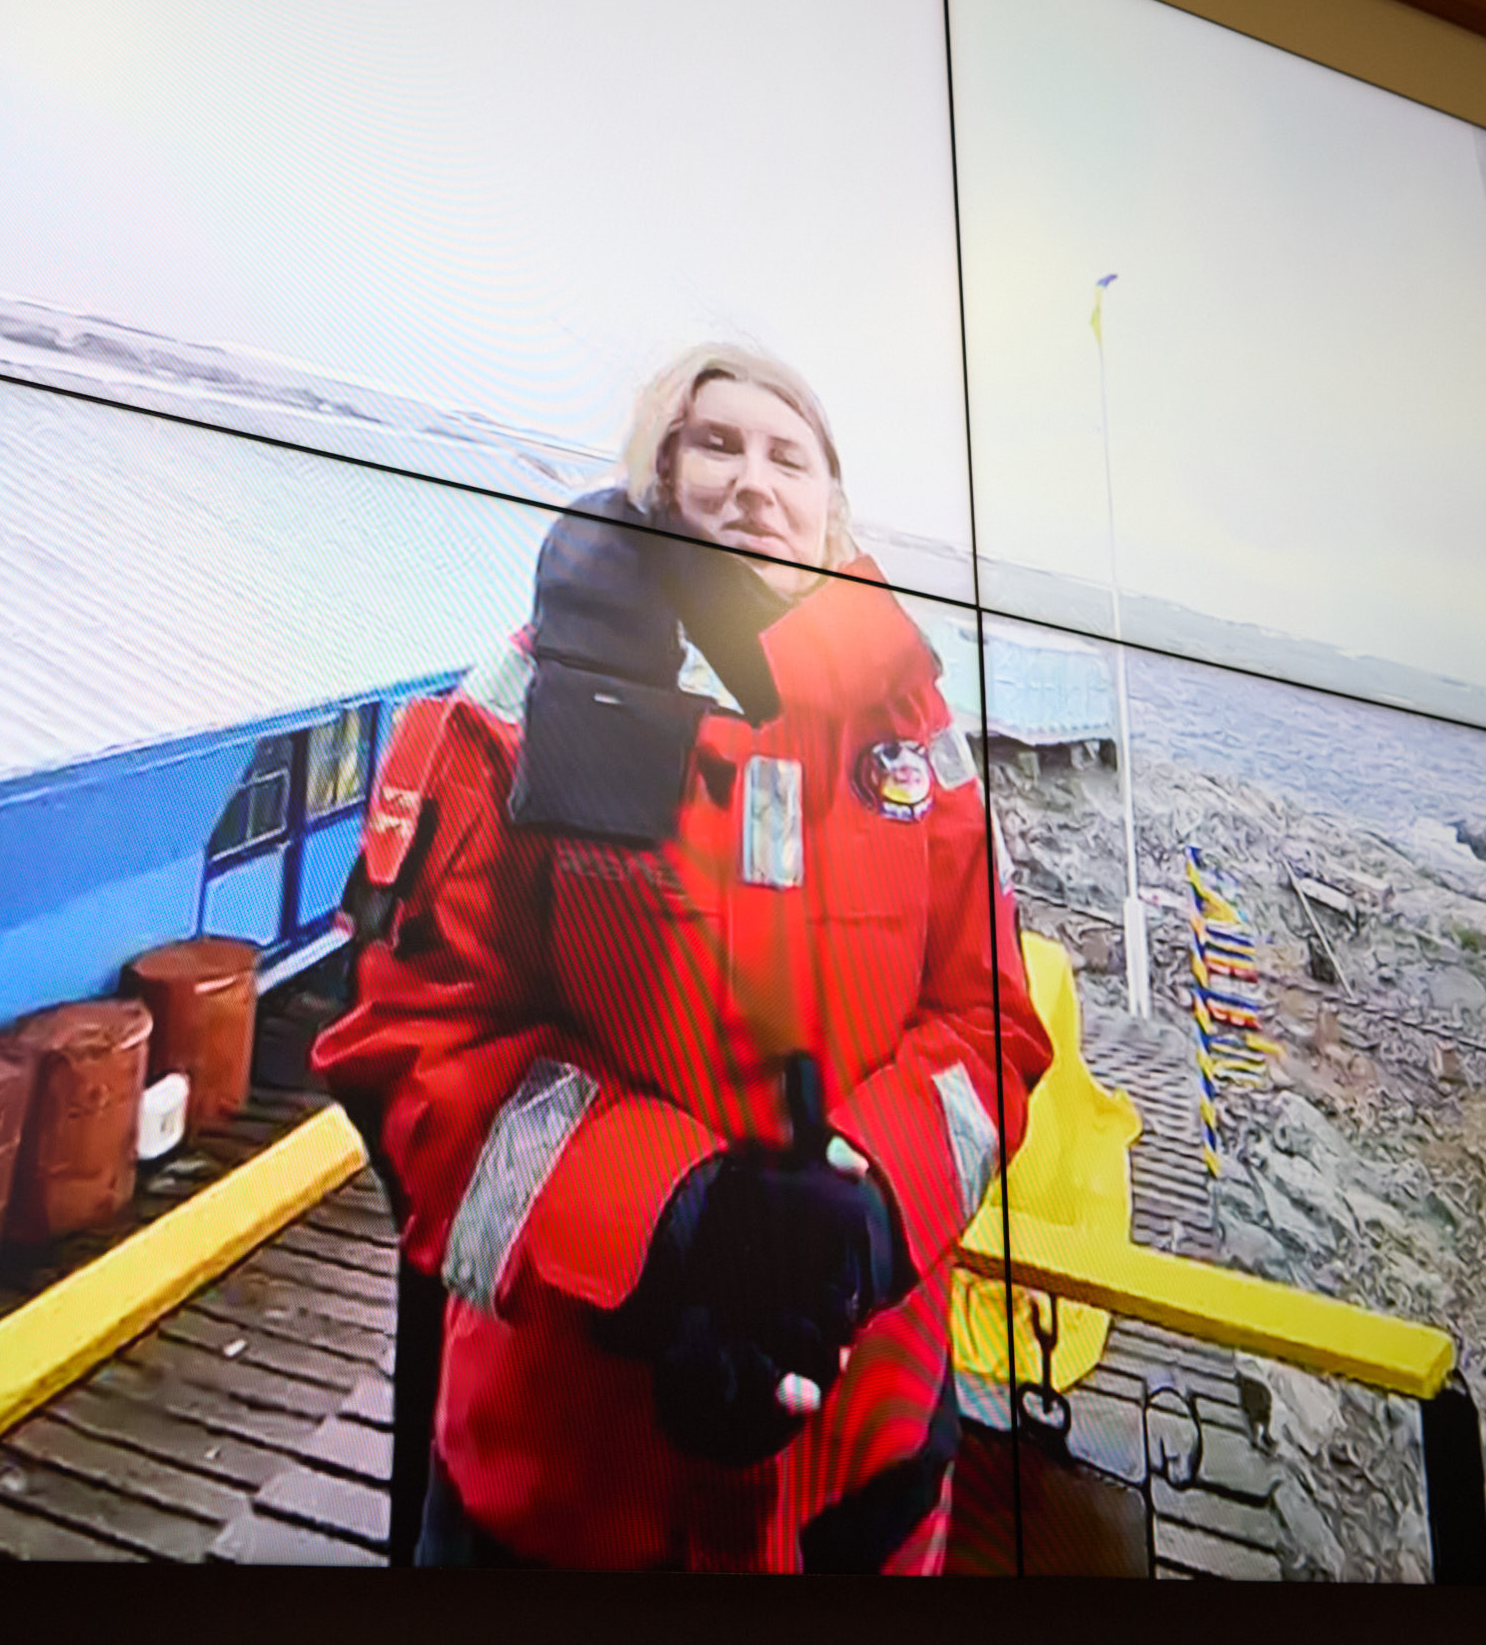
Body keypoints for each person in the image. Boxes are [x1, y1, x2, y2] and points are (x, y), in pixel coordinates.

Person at [315, 344, 1052, 1573]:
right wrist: (672, 1224)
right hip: (560, 1487)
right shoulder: (515, 707)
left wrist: (869, 1207)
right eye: (717, 444)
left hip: (861, 1476)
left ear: (833, 505)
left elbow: (991, 1019)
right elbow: (415, 1038)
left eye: (789, 456)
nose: (756, 480)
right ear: (655, 479)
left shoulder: (917, 732)